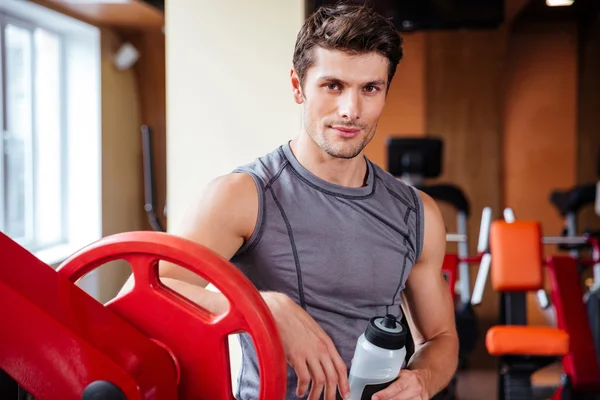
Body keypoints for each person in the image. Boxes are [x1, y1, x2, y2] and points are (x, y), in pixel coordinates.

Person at [139, 3, 458, 399]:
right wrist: (258, 306)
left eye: (369, 89)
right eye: (333, 86)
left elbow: (441, 337)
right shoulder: (242, 195)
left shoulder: (417, 213)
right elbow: (146, 292)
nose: (351, 111)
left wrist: (423, 379)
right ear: (297, 85)